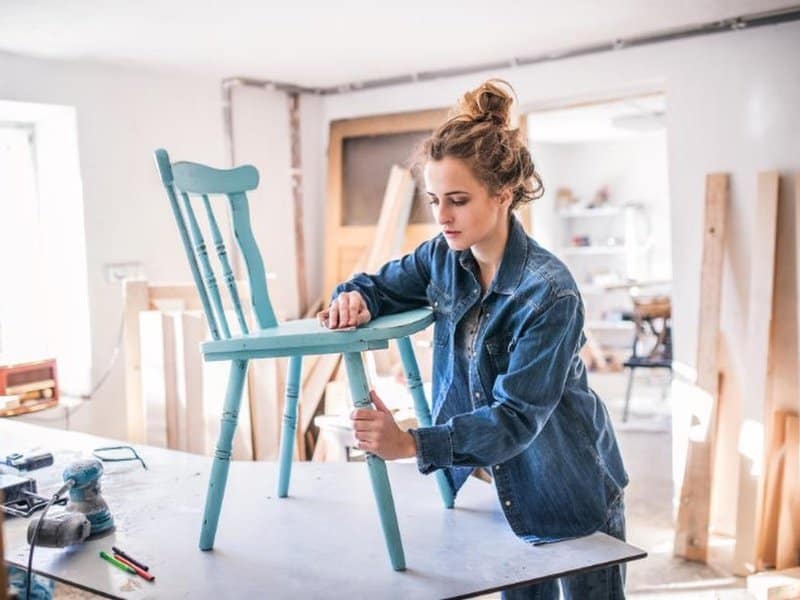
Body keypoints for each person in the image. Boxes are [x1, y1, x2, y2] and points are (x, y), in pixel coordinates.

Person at [318, 79, 628, 599]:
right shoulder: (441, 256)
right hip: (500, 492)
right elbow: (379, 285)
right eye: (435, 199)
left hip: (569, 487)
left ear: (503, 195)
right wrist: (354, 297)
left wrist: (411, 443)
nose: (442, 217)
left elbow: (513, 420)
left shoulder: (549, 294)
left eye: (457, 201)